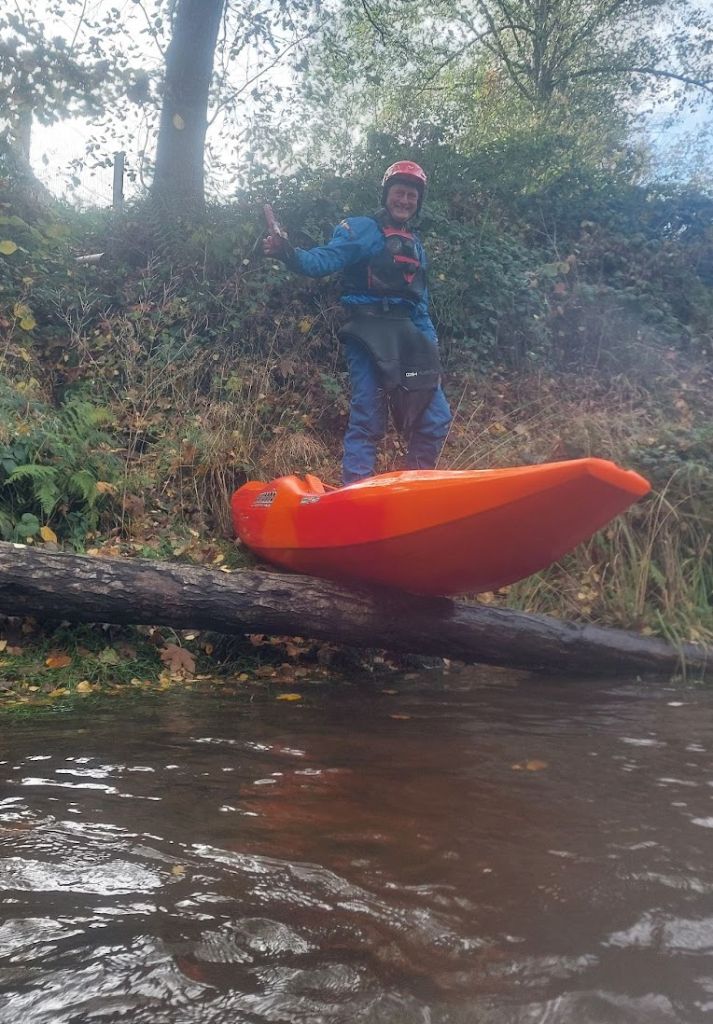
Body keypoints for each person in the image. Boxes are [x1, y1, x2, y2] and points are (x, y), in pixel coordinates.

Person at [263, 160, 452, 484]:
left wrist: (429, 345)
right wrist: (288, 252)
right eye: (399, 193)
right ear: (386, 195)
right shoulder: (362, 229)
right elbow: (323, 260)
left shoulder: (417, 246)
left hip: (409, 334)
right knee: (368, 416)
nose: (405, 201)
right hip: (367, 332)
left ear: (418, 202)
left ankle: (415, 487)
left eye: (411, 195)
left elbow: (419, 302)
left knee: (435, 418)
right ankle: (356, 492)